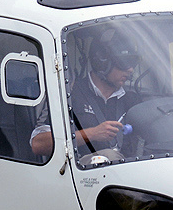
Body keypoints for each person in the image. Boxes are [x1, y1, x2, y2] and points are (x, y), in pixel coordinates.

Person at [29, 27, 142, 161]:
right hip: (82, 175)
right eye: (124, 63)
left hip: (128, 173)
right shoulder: (69, 94)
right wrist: (91, 134)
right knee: (108, 157)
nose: (130, 70)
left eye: (133, 63)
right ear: (102, 61)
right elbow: (38, 144)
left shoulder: (132, 101)